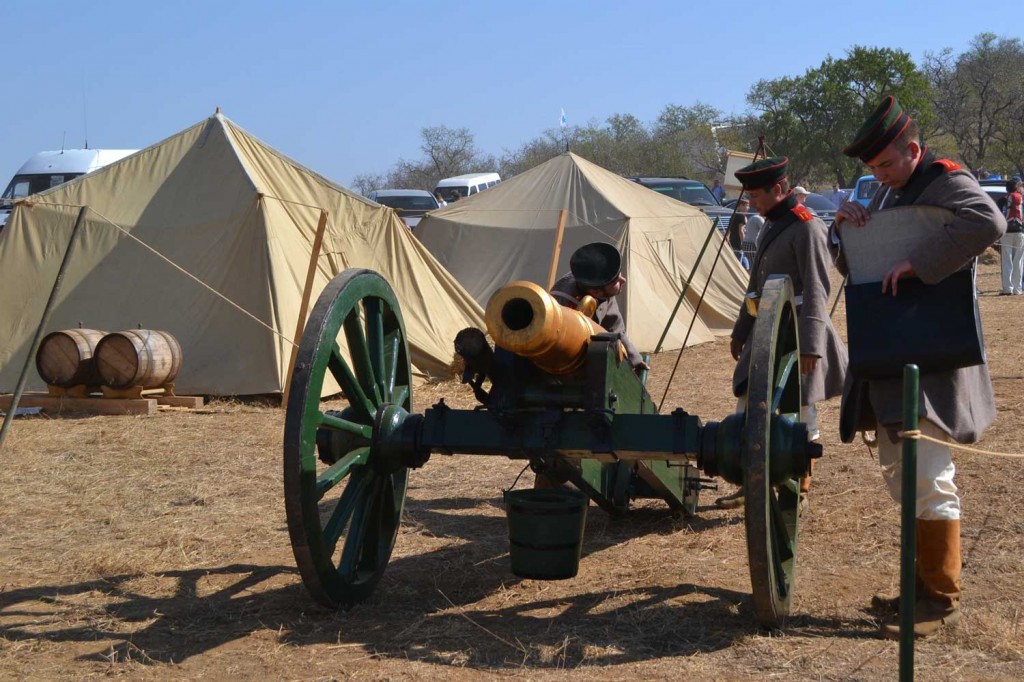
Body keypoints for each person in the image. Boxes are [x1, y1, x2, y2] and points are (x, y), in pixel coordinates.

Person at [832, 95, 1006, 639]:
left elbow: (989, 221)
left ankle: (938, 599)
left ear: (912, 149)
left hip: (933, 356)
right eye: (873, 169)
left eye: (885, 164)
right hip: (896, 354)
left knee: (929, 477)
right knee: (904, 477)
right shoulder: (889, 191)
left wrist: (919, 263)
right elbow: (864, 271)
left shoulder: (944, 180)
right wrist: (849, 231)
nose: (878, 175)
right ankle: (919, 588)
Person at [715, 157, 848, 512]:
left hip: (798, 330)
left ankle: (799, 486)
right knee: (749, 407)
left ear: (778, 189)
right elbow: (755, 284)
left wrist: (811, 345)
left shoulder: (806, 227)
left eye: (757, 195)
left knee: (801, 411)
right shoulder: (775, 223)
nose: (752, 203)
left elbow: (819, 288)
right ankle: (750, 483)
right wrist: (741, 330)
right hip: (767, 329)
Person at [550, 242, 649, 372]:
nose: (623, 280)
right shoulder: (563, 302)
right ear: (596, 292)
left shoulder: (601, 283)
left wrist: (633, 359)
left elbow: (615, 330)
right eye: (616, 281)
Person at [998, 179, 1023, 295]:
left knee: (1007, 260)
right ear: (1017, 187)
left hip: (1007, 232)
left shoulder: (1003, 199)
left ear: (1006, 189)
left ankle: (1008, 289)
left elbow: (997, 216)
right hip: (1020, 232)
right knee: (1019, 261)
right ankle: (1018, 289)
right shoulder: (1022, 199)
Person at [727, 198, 750, 268]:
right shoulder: (742, 217)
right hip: (738, 244)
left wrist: (728, 239)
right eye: (747, 205)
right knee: (738, 265)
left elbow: (729, 229)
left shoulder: (734, 215)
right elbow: (741, 231)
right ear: (740, 206)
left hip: (732, 241)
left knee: (745, 264)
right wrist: (743, 242)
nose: (748, 208)